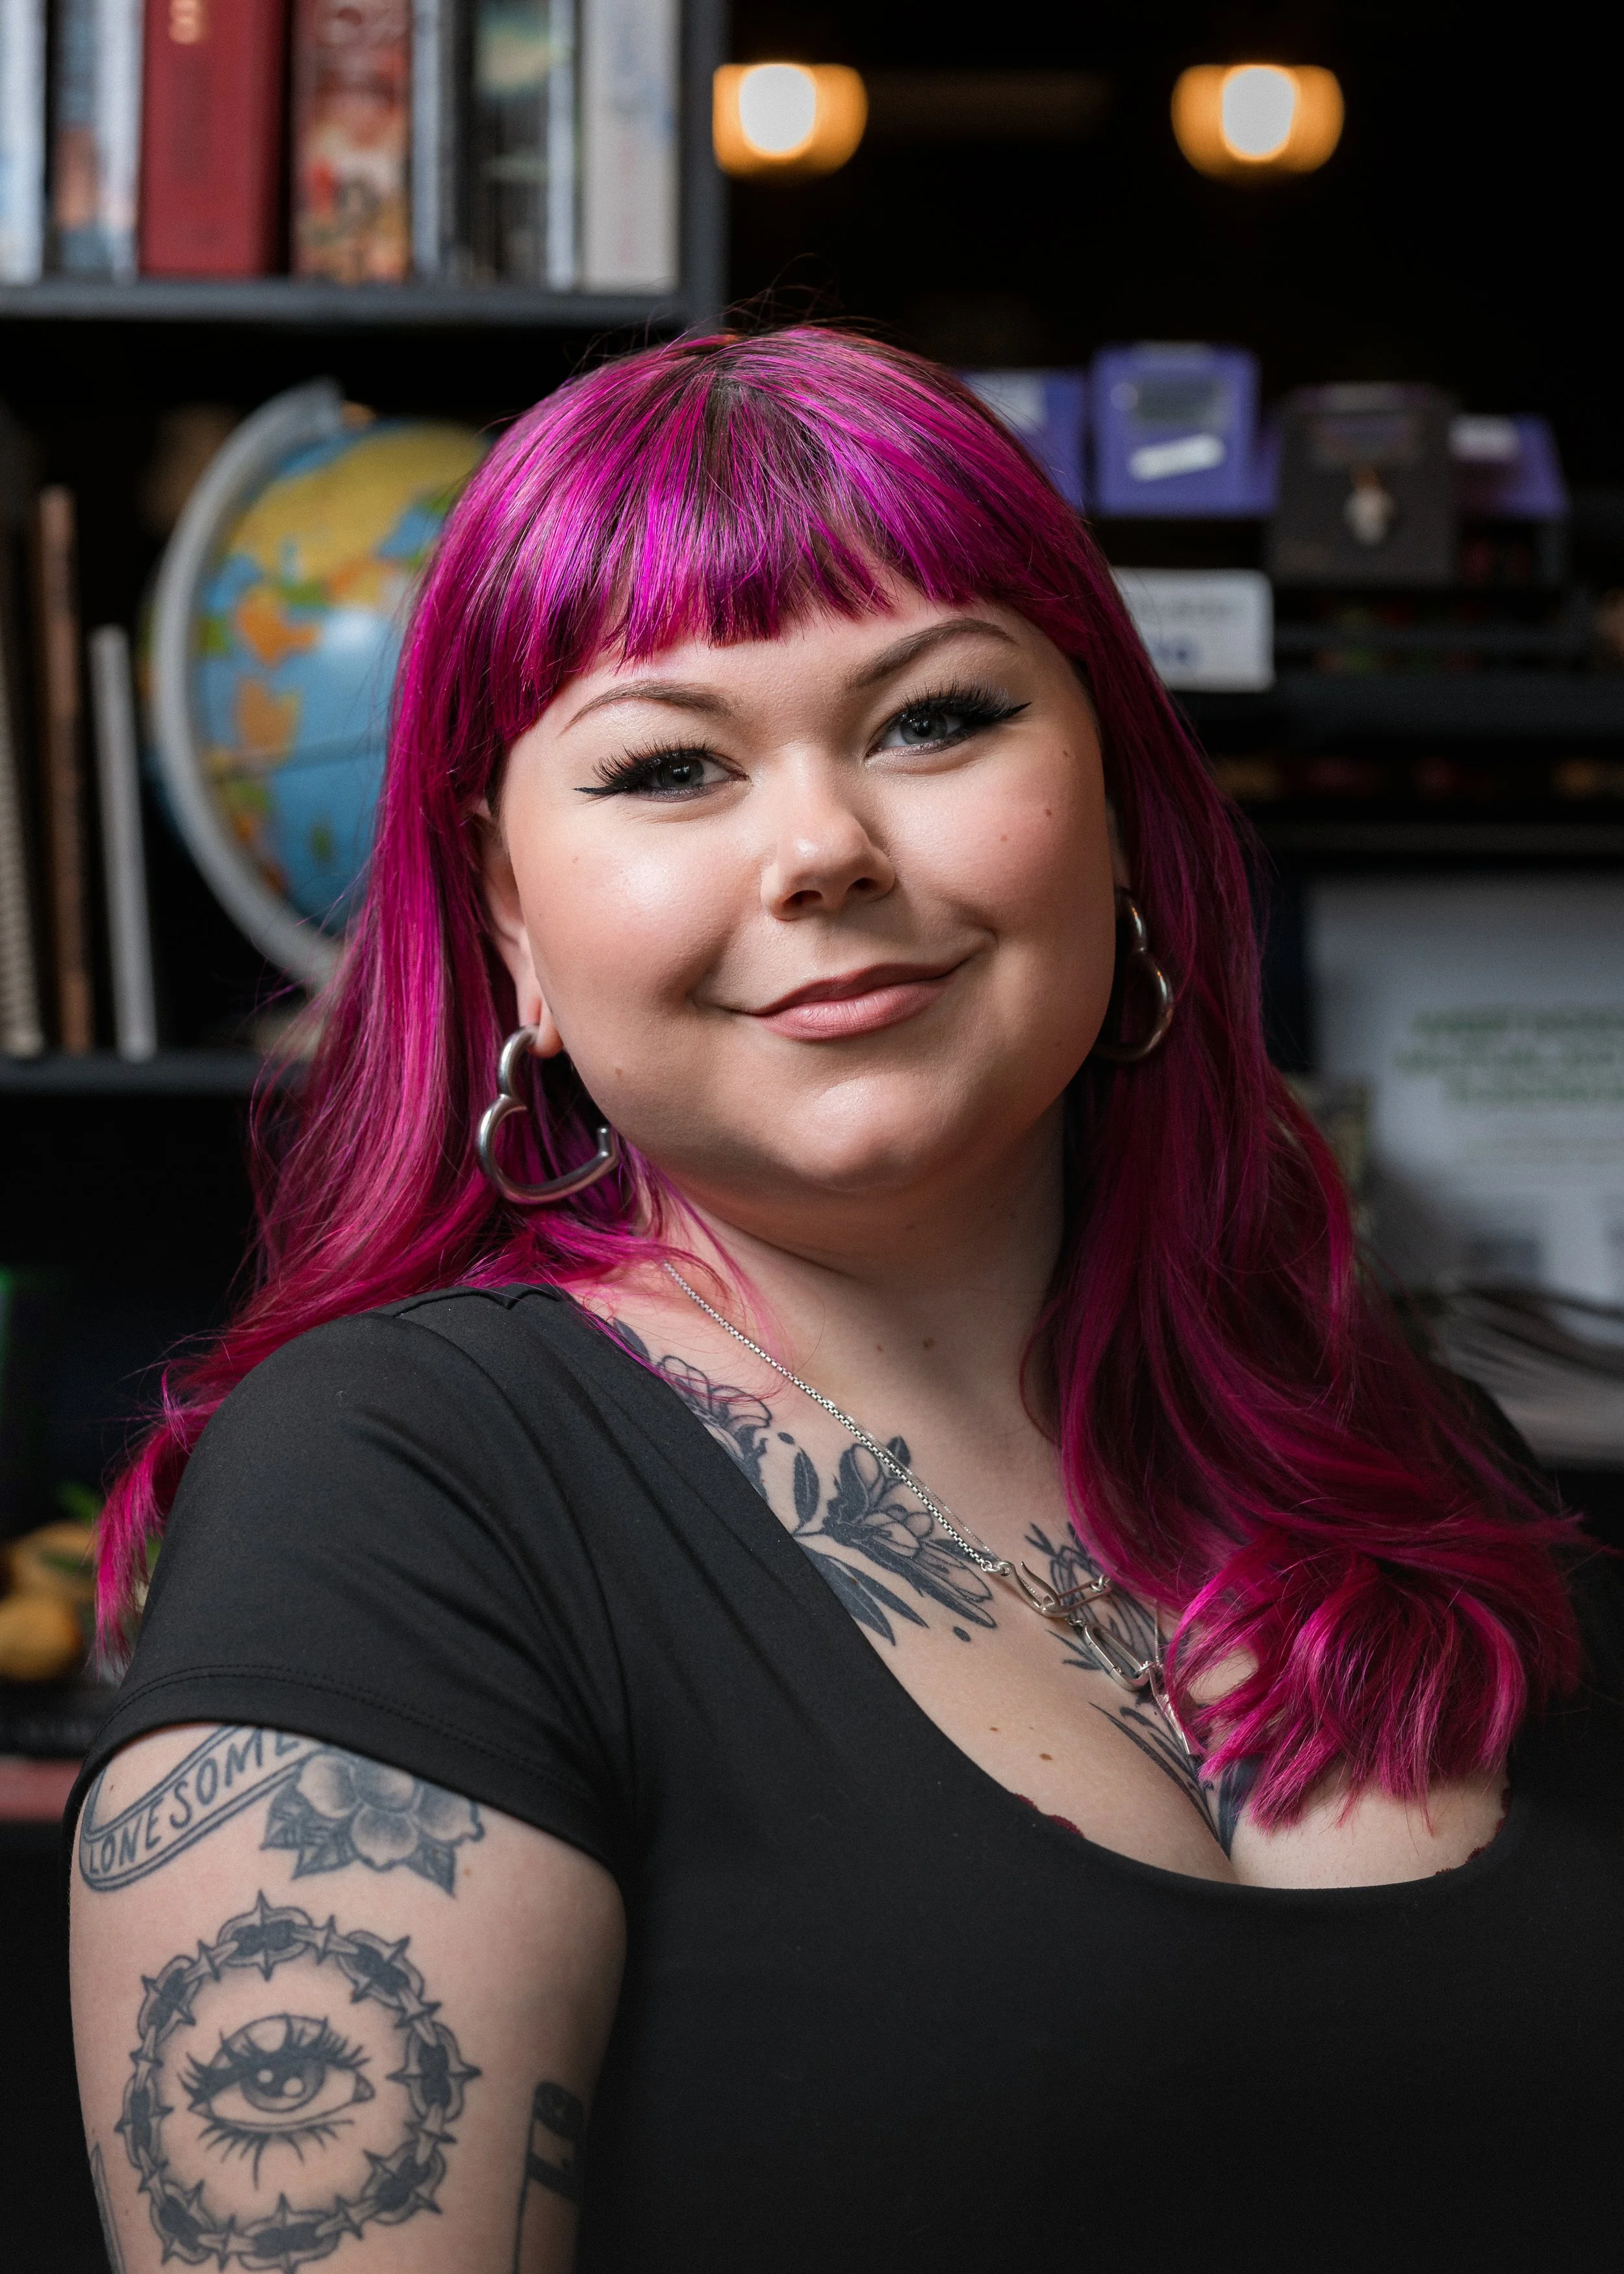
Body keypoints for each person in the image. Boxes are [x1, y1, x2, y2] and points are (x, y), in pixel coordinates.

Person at [70, 329, 1621, 2274]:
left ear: (1122, 803)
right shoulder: (402, 1498)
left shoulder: (1415, 1445)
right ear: (509, 921)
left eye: (934, 720)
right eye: (665, 764)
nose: (820, 849)